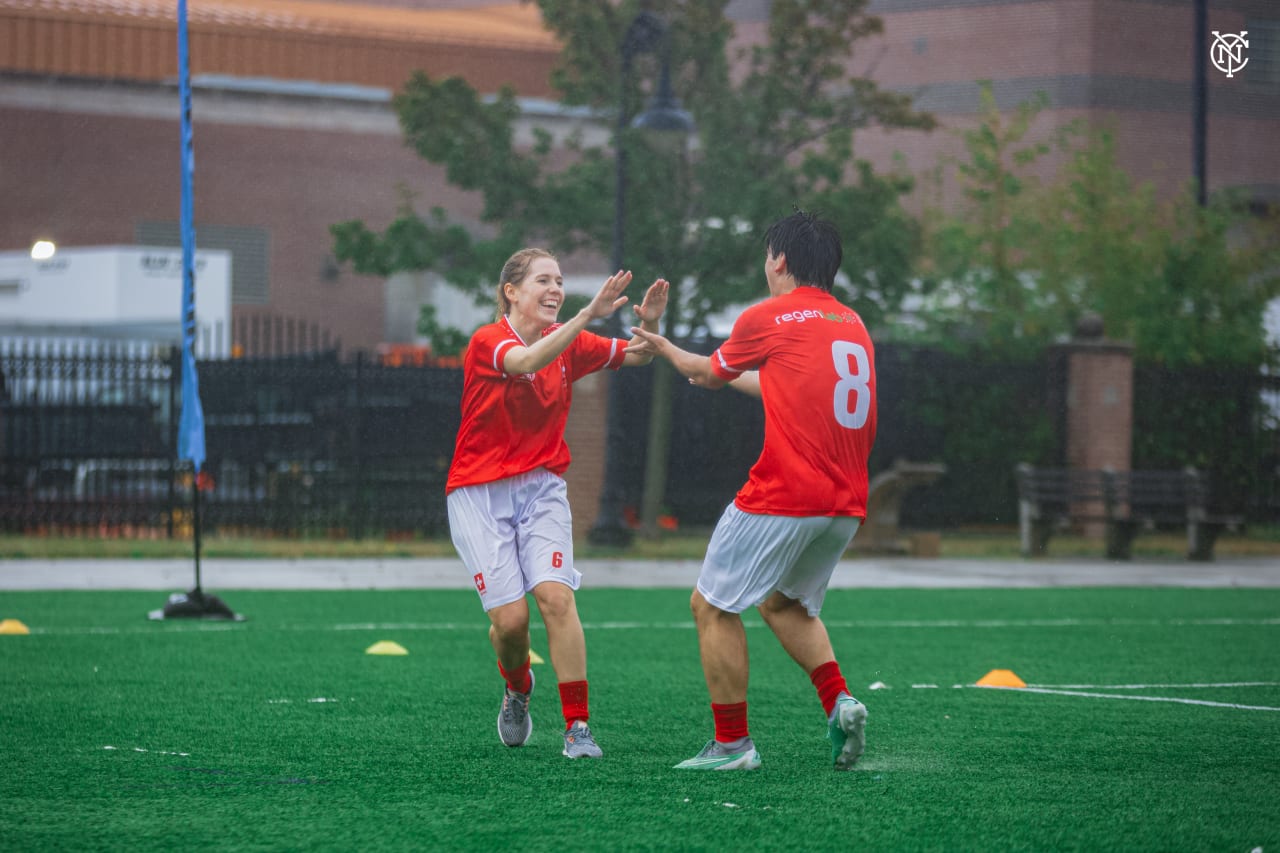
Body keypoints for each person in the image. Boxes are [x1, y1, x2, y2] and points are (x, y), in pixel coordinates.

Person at [625, 210, 877, 771]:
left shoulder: (771, 316)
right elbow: (782, 384)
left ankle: (733, 745)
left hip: (786, 493)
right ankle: (840, 703)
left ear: (779, 260)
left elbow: (710, 373)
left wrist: (662, 346)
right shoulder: (851, 324)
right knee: (783, 604)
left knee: (711, 606)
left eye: (767, 256)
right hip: (844, 504)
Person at [446, 247, 668, 759]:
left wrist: (649, 325)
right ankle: (519, 687)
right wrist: (588, 315)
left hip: (542, 486)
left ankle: (577, 727)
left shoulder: (568, 341)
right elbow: (526, 360)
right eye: (543, 280)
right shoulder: (488, 340)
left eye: (560, 281)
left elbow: (637, 356)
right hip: (478, 493)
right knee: (511, 623)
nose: (555, 289)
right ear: (511, 291)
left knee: (556, 598)